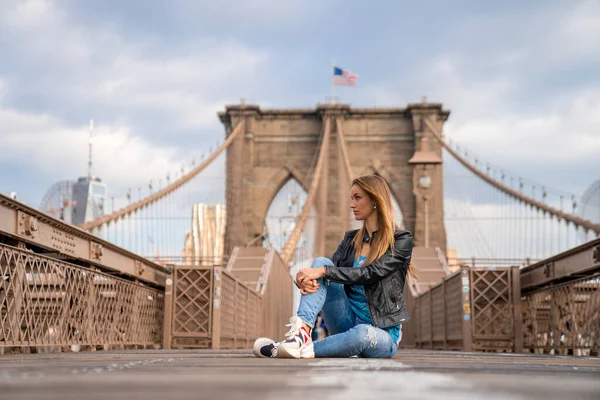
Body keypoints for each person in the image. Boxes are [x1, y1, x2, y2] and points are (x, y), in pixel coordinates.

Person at [253, 175, 415, 359]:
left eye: (357, 198)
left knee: (362, 333)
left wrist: (323, 272)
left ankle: (289, 349)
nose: (352, 205)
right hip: (345, 319)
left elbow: (372, 273)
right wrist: (303, 280)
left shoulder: (401, 240)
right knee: (322, 262)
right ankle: (301, 334)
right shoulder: (350, 240)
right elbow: (328, 274)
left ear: (375, 200)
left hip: (381, 335)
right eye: (351, 198)